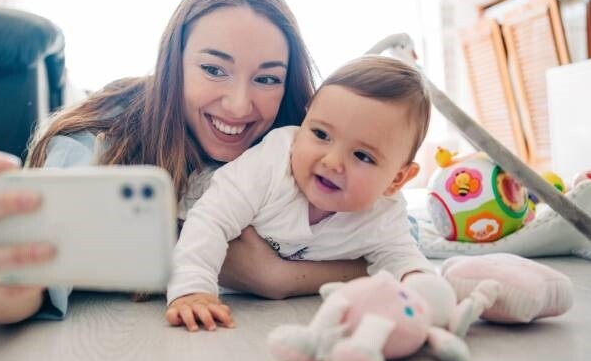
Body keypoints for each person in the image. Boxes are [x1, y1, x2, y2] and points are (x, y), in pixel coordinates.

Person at [0, 0, 371, 324]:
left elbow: (392, 236)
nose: (239, 105)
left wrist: (278, 277)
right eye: (213, 69)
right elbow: (31, 285)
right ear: (172, 64)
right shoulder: (99, 145)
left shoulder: (302, 142)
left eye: (267, 78)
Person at [165, 56, 435, 332]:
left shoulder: (384, 213)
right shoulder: (271, 162)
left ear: (397, 179)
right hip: (187, 209)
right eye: (320, 134)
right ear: (304, 122)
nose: (332, 162)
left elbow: (403, 259)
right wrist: (193, 289)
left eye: (362, 156)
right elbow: (210, 219)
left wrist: (427, 292)